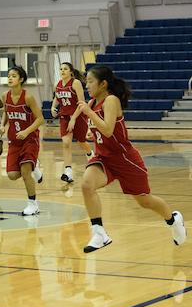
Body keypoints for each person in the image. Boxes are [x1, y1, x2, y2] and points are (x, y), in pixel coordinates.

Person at [76, 66, 186, 252]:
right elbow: (101, 129)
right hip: (104, 157)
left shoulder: (111, 100)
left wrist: (89, 113)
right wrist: (90, 130)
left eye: (90, 81)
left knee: (145, 202)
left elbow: (109, 130)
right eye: (86, 81)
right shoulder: (93, 102)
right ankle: (99, 233)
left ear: (103, 84)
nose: (87, 85)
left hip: (125, 159)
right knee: (87, 185)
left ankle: (173, 220)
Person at [0, 66, 44, 216]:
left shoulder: (28, 97)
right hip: (14, 140)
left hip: (29, 139)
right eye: (8, 76)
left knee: (25, 172)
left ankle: (33, 204)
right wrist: (2, 125)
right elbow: (5, 111)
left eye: (13, 76)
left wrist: (26, 131)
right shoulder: (5, 96)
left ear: (21, 79)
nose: (10, 78)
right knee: (12, 175)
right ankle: (34, 165)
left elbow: (40, 119)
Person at [50, 62, 94, 183]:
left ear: (70, 72)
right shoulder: (57, 84)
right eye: (61, 69)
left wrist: (74, 118)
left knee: (81, 142)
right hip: (64, 116)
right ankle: (68, 171)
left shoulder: (76, 83)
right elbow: (57, 97)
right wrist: (53, 107)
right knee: (66, 143)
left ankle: (90, 154)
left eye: (65, 69)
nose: (62, 71)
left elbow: (81, 103)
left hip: (78, 116)